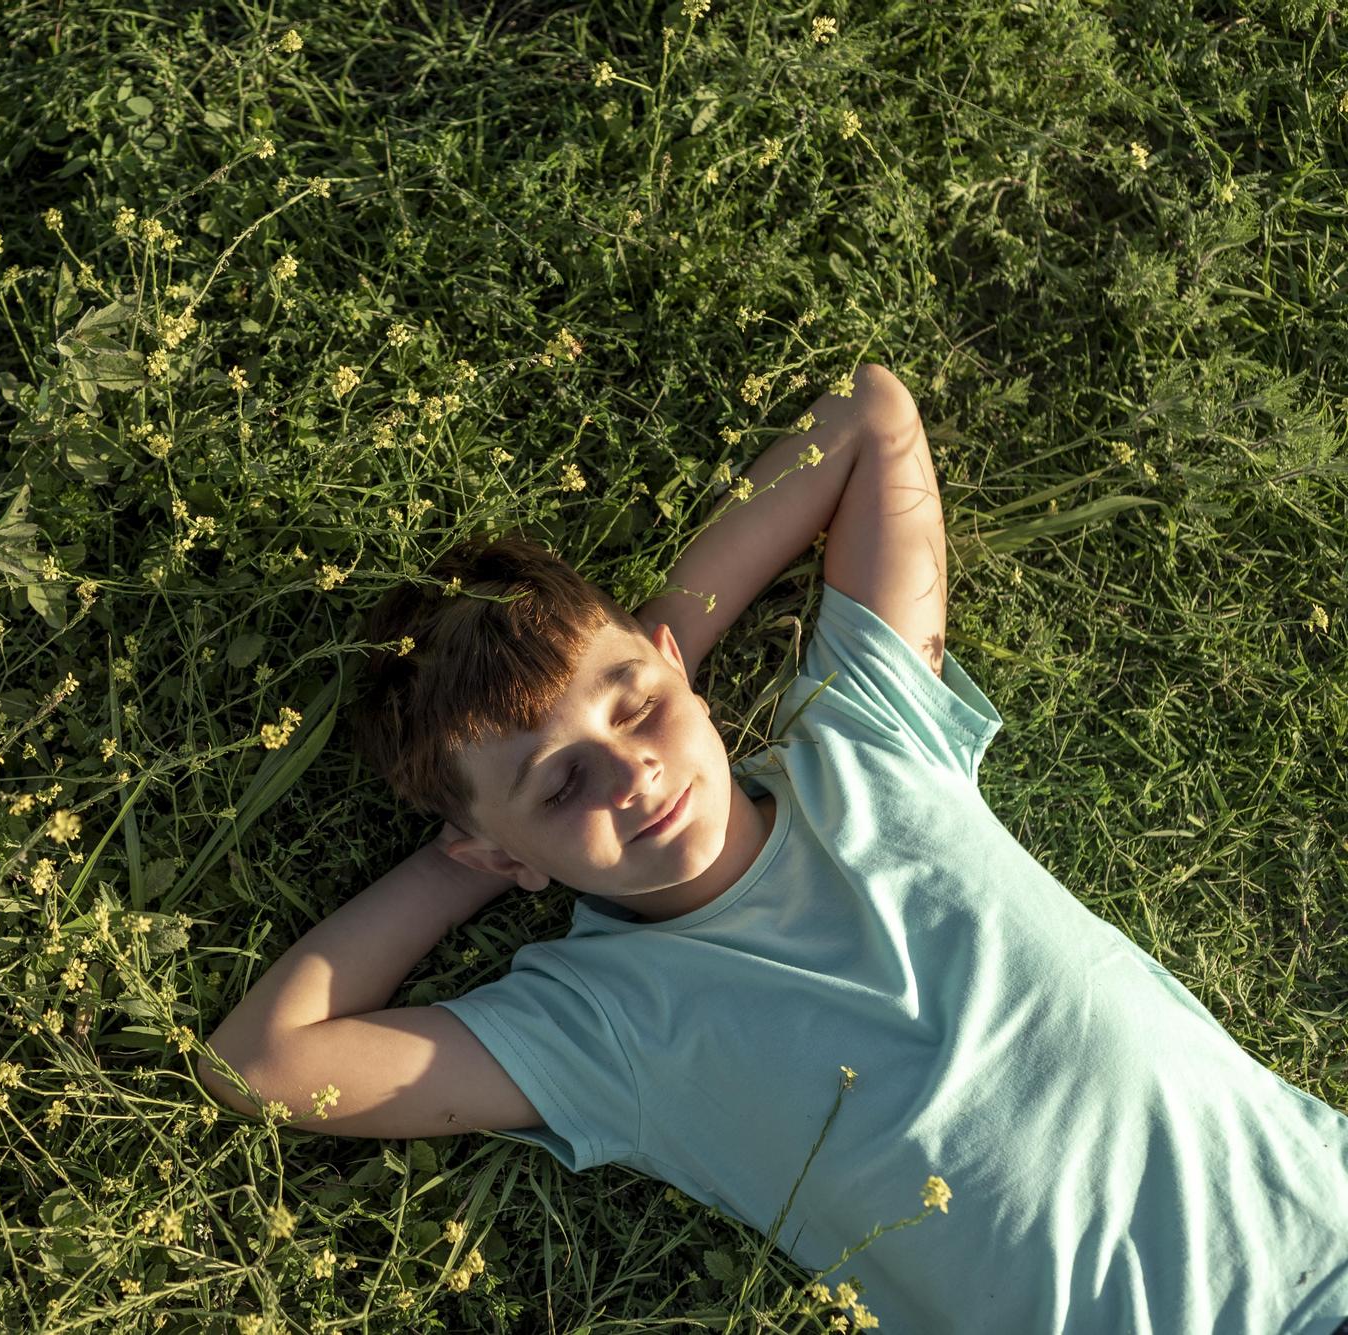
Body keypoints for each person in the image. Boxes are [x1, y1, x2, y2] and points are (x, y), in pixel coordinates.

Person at [196, 365, 1348, 1333]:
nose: (631, 771)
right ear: (505, 855)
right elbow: (259, 1068)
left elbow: (870, 416)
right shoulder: (596, 1025)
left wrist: (668, 647)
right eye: (559, 786)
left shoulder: (865, 747)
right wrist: (466, 853)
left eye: (632, 706)